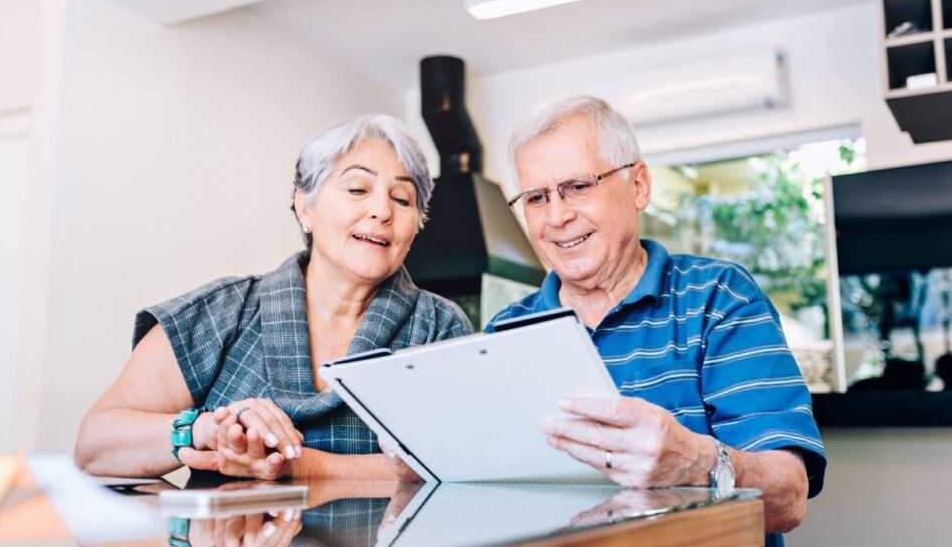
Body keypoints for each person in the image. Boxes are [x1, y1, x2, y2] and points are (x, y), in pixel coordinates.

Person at [487, 96, 826, 546]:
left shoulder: (720, 297)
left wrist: (695, 463)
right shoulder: (504, 333)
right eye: (536, 197)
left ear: (639, 186)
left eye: (578, 186)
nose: (557, 216)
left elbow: (789, 496)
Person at [74, 114, 473, 480]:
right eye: (357, 188)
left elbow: (462, 464)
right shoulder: (224, 311)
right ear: (306, 206)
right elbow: (95, 445)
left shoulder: (440, 327)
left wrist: (300, 466)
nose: (382, 210)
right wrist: (209, 429)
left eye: (402, 199)